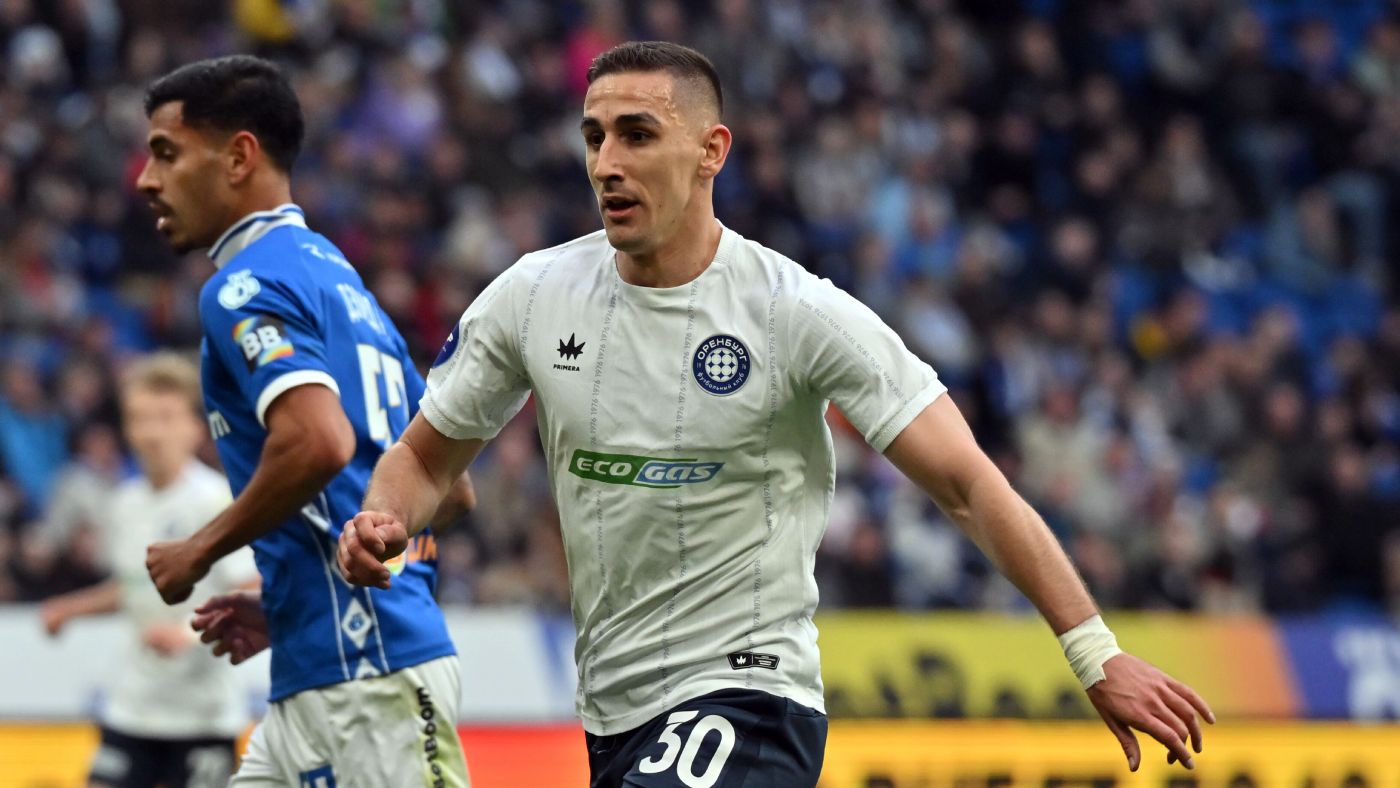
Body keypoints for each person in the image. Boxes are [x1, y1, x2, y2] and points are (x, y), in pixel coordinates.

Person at [338, 41, 1215, 786]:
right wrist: (384, 521)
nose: (606, 163)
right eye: (594, 137)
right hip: (612, 709)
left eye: (638, 134)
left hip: (750, 696)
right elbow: (425, 459)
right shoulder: (533, 296)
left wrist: (1094, 653)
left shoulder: (796, 313)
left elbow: (967, 484)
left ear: (711, 151)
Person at [133, 55, 473, 787]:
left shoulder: (245, 285)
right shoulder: (343, 286)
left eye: (166, 153)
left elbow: (319, 441)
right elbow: (450, 488)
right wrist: (297, 595)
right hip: (322, 668)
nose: (146, 179)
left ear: (238, 157)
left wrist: (198, 550)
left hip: (369, 678)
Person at [40, 352, 259, 788]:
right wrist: (70, 609)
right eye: (140, 418)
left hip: (202, 715)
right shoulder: (125, 503)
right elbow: (133, 588)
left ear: (194, 428)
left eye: (166, 418)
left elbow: (252, 588)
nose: (152, 432)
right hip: (133, 707)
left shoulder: (216, 501)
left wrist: (187, 633)